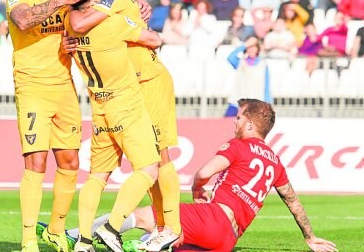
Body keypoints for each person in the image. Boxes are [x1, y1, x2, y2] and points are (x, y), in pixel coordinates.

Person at [67, 99, 338, 252]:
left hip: (214, 218)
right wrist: (310, 237)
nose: (235, 121)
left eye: (240, 117)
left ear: (251, 124)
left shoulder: (239, 146)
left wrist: (198, 189)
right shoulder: (275, 162)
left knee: (144, 217)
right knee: (170, 245)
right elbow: (294, 203)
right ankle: (146, 245)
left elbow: (203, 172)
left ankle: (78, 236)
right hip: (228, 239)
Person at [62, 0, 182, 251]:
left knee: (160, 158)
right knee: (149, 165)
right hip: (124, 92)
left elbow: (78, 22)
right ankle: (151, 227)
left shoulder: (113, 1)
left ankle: (170, 228)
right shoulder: (109, 10)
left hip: (147, 82)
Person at [4, 0, 93, 252]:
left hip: (65, 87)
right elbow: (25, 20)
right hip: (32, 89)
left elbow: (97, 7)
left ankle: (55, 230)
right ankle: (29, 239)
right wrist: (60, 0)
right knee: (36, 163)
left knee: (70, 162)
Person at [225, 36, 271, 116]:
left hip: (255, 104)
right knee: (225, 124)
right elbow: (230, 57)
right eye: (249, 47)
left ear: (258, 49)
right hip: (237, 102)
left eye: (254, 47)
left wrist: (267, 103)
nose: (251, 50)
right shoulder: (240, 62)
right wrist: (245, 45)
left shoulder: (263, 65)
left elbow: (266, 86)